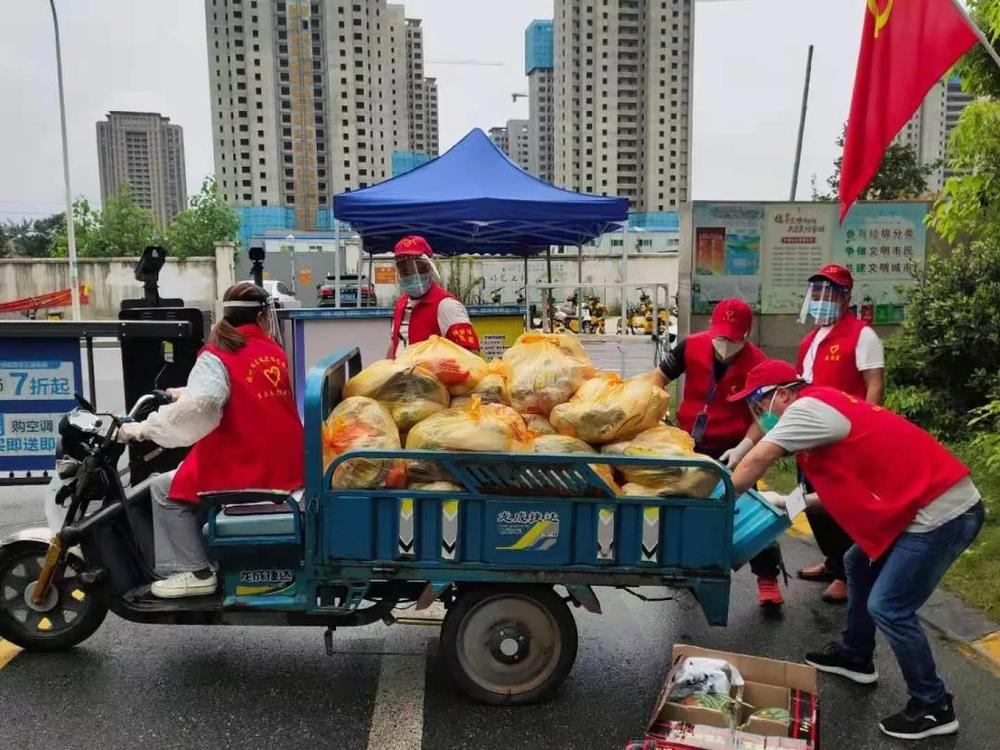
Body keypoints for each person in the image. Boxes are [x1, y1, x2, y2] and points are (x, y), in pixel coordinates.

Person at [728, 359, 984, 741]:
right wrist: (788, 502)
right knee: (857, 564)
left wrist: (719, 498)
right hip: (917, 506)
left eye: (758, 405)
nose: (758, 415)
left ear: (781, 395)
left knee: (889, 606)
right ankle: (856, 656)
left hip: (942, 512)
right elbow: (839, 492)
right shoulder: (821, 409)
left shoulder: (805, 408)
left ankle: (933, 705)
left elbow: (758, 458)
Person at [118, 282, 305, 599]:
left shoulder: (217, 354)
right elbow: (238, 391)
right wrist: (181, 394)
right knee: (186, 476)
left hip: (250, 462)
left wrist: (143, 429)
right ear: (262, 317)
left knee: (164, 489)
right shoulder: (272, 350)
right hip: (285, 460)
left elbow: (203, 407)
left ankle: (196, 572)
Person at [651, 297, 785, 611]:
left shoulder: (758, 364)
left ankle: (768, 579)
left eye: (732, 338)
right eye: (720, 335)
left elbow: (763, 418)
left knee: (746, 513)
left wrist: (744, 448)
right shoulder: (690, 347)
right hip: (689, 444)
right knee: (686, 508)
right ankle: (686, 567)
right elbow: (658, 377)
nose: (724, 343)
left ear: (746, 335)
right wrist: (654, 410)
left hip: (733, 448)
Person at [795, 264, 885, 604]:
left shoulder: (862, 336)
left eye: (829, 292)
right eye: (816, 292)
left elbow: (874, 384)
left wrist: (867, 428)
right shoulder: (810, 339)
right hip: (811, 438)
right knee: (813, 501)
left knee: (842, 505)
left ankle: (849, 575)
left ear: (846, 296)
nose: (820, 299)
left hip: (845, 437)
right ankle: (833, 561)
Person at [388, 235, 480, 358]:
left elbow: (471, 355)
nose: (413, 276)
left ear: (430, 268)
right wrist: (386, 366)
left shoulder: (446, 305)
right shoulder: (401, 303)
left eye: (420, 270)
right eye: (405, 271)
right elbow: (396, 343)